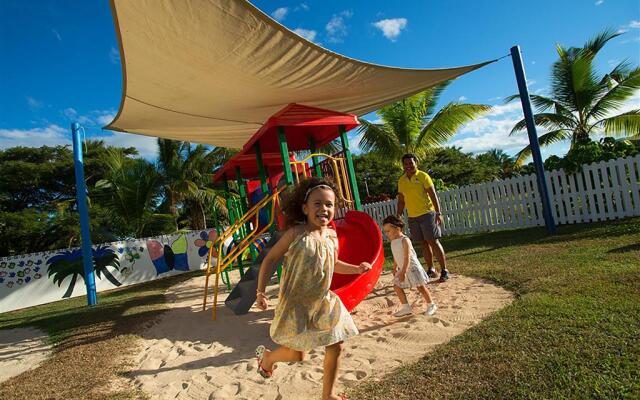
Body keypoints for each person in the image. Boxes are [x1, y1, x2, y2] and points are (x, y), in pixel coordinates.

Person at [255, 178, 372, 400]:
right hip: (295, 304)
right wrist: (260, 293)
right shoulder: (296, 233)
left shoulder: (332, 235)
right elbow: (270, 260)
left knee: (337, 344)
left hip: (323, 300)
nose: (323, 208)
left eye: (329, 204)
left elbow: (333, 263)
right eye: (317, 203)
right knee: (298, 355)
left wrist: (357, 269)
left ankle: (328, 395)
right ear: (304, 208)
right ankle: (268, 359)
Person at [396, 153, 450, 282]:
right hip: (413, 217)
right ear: (403, 165)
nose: (408, 166)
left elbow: (433, 195)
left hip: (427, 214)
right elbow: (401, 200)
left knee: (433, 241)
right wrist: (398, 215)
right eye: (406, 164)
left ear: (416, 163)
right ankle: (431, 269)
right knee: (423, 243)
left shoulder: (423, 176)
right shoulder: (401, 181)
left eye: (411, 163)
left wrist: (438, 213)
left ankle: (444, 270)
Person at [383, 215, 437, 317]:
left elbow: (407, 257)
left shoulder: (405, 240)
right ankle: (406, 307)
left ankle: (431, 305)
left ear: (397, 229)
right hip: (402, 269)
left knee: (420, 286)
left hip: (411, 268)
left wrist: (403, 272)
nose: (386, 234)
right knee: (396, 286)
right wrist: (394, 267)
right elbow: (395, 256)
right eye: (385, 231)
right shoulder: (393, 242)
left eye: (388, 231)